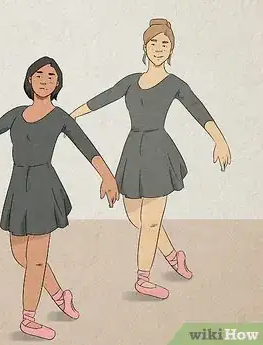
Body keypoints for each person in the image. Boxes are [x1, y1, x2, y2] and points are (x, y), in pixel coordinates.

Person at [0, 56, 119, 340]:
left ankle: (29, 318)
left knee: (37, 260)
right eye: (39, 74)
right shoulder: (16, 114)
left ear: (58, 83)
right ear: (29, 80)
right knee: (20, 255)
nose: (44, 79)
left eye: (51, 76)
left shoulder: (61, 117)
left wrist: (107, 176)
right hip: (18, 187)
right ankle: (61, 295)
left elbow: (87, 147)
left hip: (43, 187)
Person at [68, 19, 231, 300]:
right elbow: (101, 99)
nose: (158, 48)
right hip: (133, 151)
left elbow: (199, 111)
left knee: (152, 222)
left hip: (158, 151)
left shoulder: (175, 84)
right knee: (136, 218)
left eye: (164, 43)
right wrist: (69, 118)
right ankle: (173, 255)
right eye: (153, 43)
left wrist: (219, 140)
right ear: (145, 47)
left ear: (172, 49)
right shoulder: (131, 81)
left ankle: (143, 278)